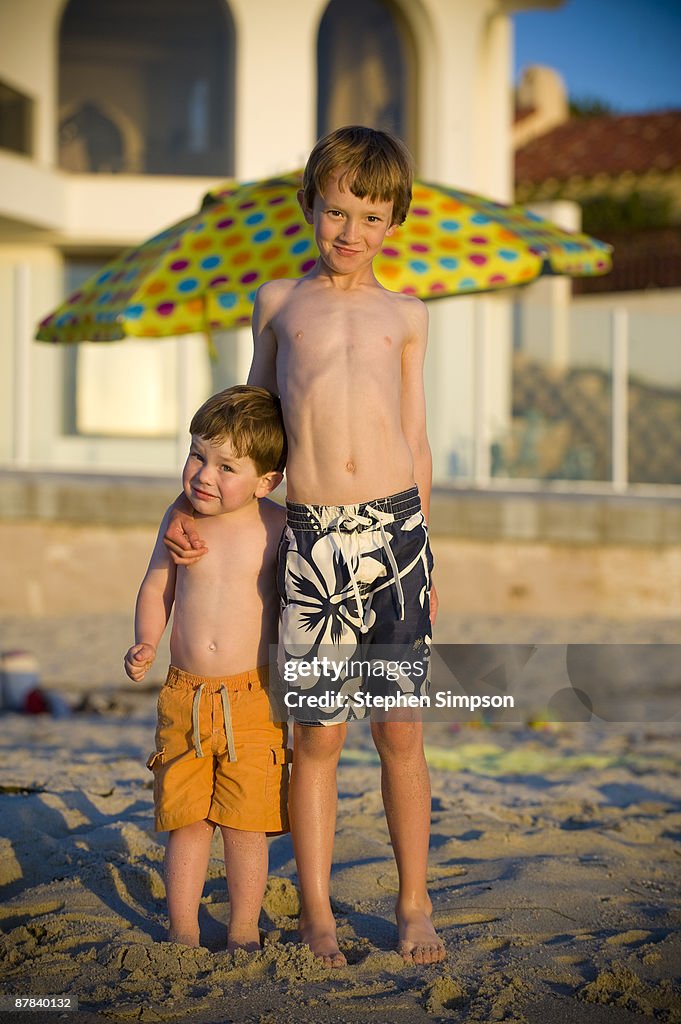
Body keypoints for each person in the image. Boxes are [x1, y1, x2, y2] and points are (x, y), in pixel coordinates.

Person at [165, 126, 445, 968]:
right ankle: (317, 911)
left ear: (393, 221)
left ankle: (412, 900)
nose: (349, 232)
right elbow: (244, 426)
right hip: (315, 541)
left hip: (395, 535)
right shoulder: (280, 303)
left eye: (369, 215)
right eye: (334, 212)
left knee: (400, 730)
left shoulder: (407, 315)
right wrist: (199, 507)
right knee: (317, 736)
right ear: (309, 209)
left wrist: (424, 550)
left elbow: (416, 435)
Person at [124, 385, 290, 952]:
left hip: (253, 698)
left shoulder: (278, 526)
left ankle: (244, 928)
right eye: (197, 455)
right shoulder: (179, 517)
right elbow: (155, 586)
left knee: (247, 823)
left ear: (266, 481)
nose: (204, 475)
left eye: (227, 466)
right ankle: (184, 931)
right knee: (187, 819)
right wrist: (147, 640)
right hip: (184, 695)